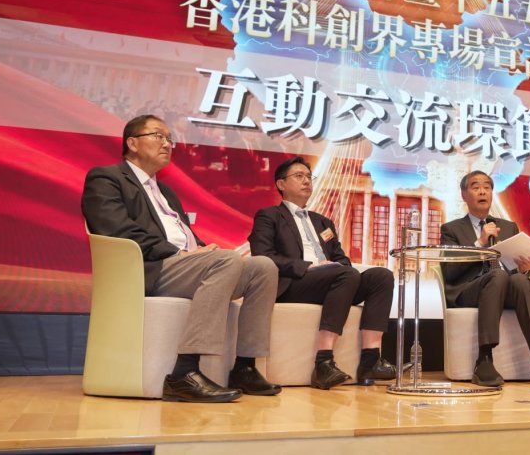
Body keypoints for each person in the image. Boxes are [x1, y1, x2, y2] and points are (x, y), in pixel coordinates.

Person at [81, 115, 280, 402]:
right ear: (132, 143)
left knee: (263, 267)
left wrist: (203, 250)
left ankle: (245, 367)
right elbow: (118, 230)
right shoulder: (107, 178)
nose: (166, 144)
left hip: (182, 265)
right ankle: (183, 373)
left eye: (169, 139)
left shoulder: (165, 191)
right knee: (225, 261)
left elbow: (184, 236)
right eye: (158, 136)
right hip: (147, 269)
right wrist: (182, 254)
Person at [249, 157, 397, 390]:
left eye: (309, 177)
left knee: (382, 276)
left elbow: (341, 258)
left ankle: (370, 361)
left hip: (334, 280)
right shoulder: (269, 216)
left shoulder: (323, 222)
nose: (307, 181)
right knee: (345, 275)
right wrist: (307, 266)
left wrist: (334, 266)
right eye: (299, 176)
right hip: (294, 283)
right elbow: (263, 255)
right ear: (281, 184)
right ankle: (323, 363)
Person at [439, 170, 530, 388]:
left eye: (487, 187)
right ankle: (484, 359)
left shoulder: (508, 227)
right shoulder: (451, 229)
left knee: (521, 280)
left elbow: (514, 268)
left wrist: (523, 269)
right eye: (475, 187)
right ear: (464, 195)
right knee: (497, 275)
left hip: (505, 287)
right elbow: (450, 270)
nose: (482, 191)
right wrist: (479, 243)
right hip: (470, 290)